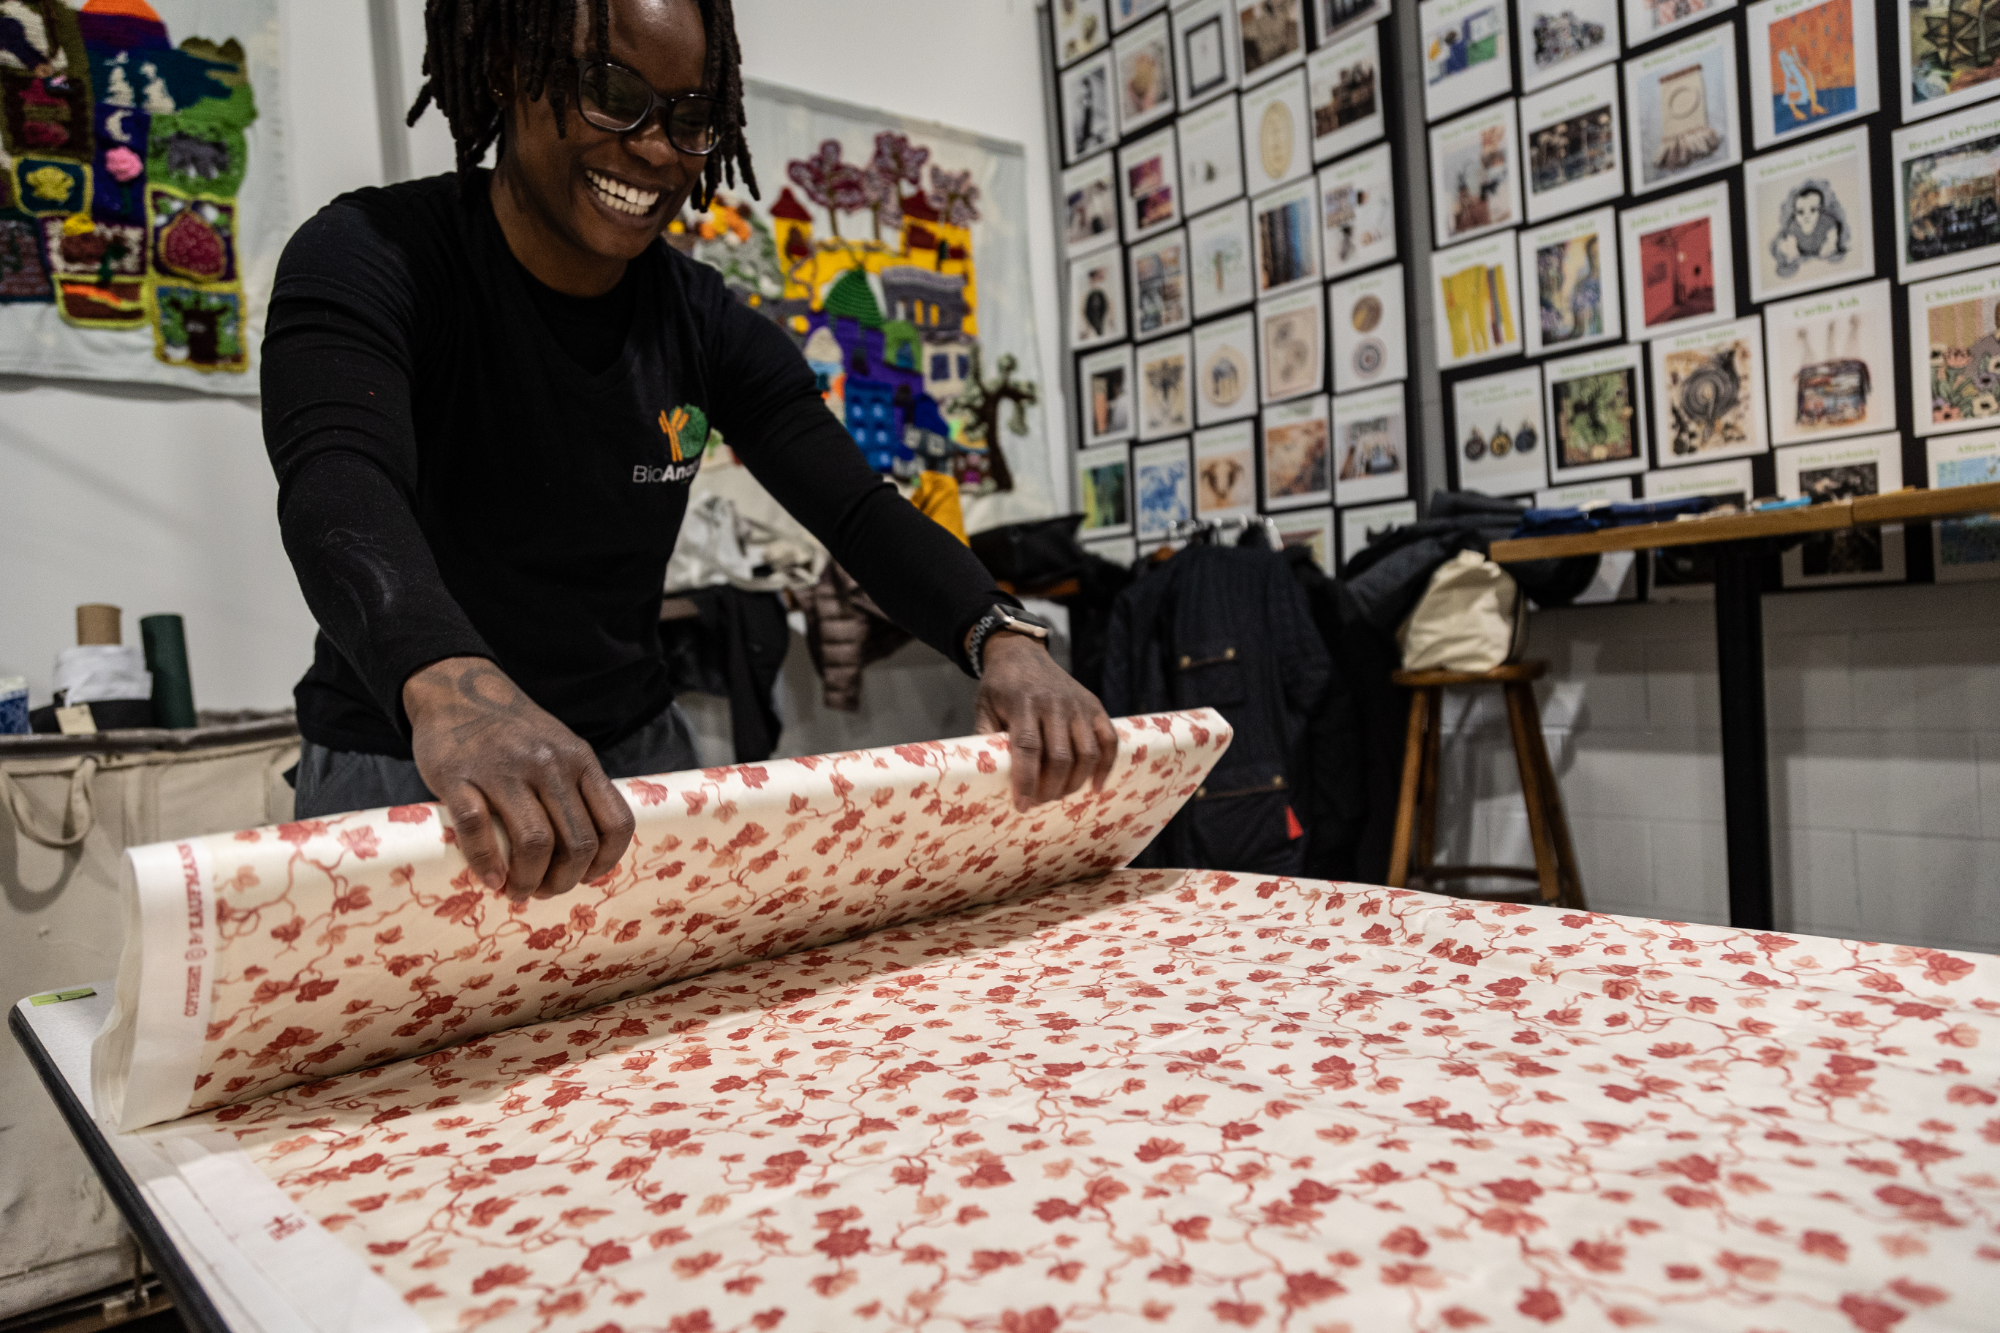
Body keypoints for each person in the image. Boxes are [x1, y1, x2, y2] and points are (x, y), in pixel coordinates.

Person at [262, 0, 1116, 903]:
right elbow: (339, 478)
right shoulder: (371, 256)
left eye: (692, 115)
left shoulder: (706, 326)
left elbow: (858, 508)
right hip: (411, 757)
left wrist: (1000, 635)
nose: (659, 148)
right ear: (513, 69)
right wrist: (451, 688)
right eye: (611, 92)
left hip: (632, 761)